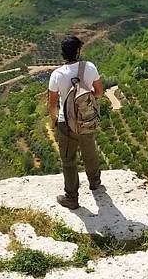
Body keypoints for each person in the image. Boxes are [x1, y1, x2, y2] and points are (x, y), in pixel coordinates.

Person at [47, 35, 104, 209]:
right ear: (78, 51)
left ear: (63, 54)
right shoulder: (90, 67)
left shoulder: (57, 75)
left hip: (66, 122)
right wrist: (85, 106)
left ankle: (71, 198)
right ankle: (94, 182)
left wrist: (55, 120)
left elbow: (52, 104)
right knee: (90, 152)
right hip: (86, 119)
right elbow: (99, 92)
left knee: (68, 160)